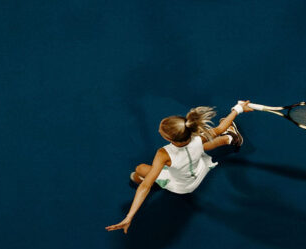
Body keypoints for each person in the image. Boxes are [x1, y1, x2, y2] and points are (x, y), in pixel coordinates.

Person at [105, 100, 252, 233]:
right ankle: (230, 138)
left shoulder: (163, 154)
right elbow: (220, 128)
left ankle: (153, 181)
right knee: (205, 144)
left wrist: (129, 216)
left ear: (169, 139)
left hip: (182, 186)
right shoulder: (197, 137)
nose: (159, 131)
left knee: (139, 169)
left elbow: (145, 186)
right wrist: (238, 109)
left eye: (162, 132)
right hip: (198, 171)